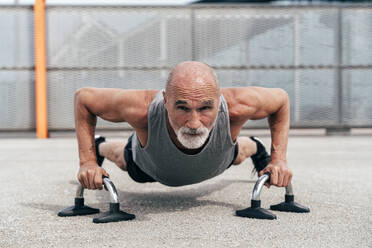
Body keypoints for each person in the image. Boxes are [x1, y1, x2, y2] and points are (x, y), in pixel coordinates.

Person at [75, 61, 292, 190]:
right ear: (166, 101)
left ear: (218, 100)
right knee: (124, 158)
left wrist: (278, 159)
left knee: (237, 153)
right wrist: (88, 161)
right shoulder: (141, 109)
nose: (195, 123)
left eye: (205, 108)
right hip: (150, 166)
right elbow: (83, 99)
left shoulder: (238, 105)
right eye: (183, 108)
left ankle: (254, 145)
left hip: (217, 160)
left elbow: (281, 100)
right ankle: (101, 145)